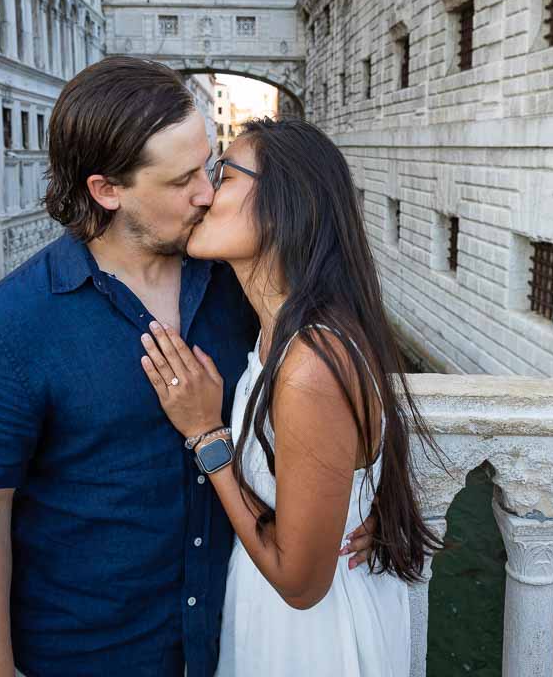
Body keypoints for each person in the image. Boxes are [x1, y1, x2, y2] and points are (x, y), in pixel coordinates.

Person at [0, 59, 376, 677]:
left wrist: (358, 501)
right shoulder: (13, 326)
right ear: (107, 190)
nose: (206, 192)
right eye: (181, 180)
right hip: (93, 654)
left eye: (210, 167)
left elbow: (342, 380)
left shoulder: (240, 281)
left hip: (234, 641)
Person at [137, 117, 442, 676]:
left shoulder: (309, 366)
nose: (204, 194)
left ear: (283, 206)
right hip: (279, 616)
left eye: (224, 176)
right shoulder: (285, 331)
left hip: (308, 637)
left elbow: (301, 583)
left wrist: (207, 437)